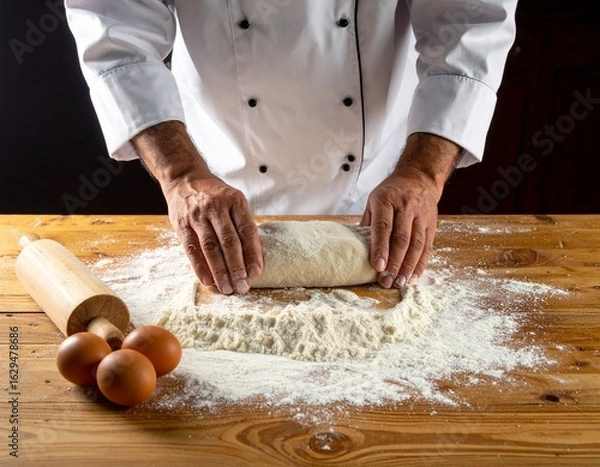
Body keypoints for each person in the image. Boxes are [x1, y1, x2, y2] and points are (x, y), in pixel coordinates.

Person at [65, 1, 517, 294]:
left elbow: (470, 25)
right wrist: (182, 174)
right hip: (221, 171)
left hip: (374, 181)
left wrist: (423, 173)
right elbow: (117, 34)